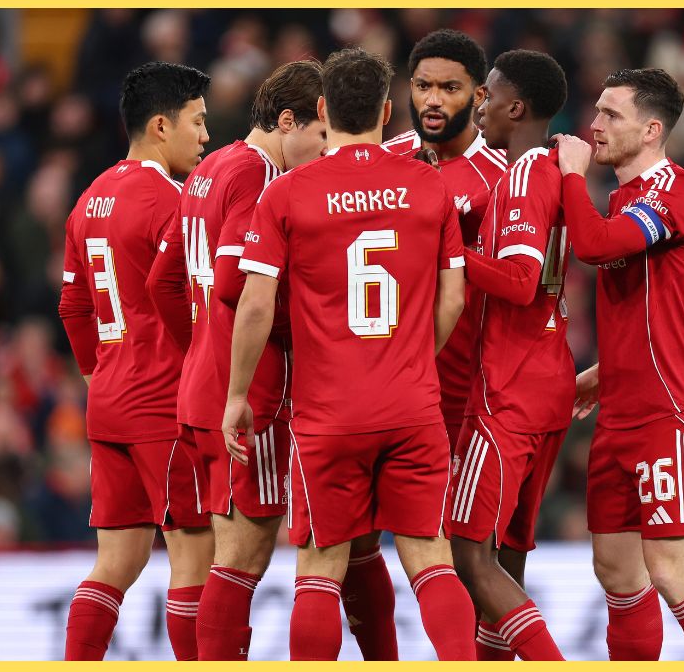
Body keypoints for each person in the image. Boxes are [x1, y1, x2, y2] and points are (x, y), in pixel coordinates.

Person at [222, 47, 475, 661]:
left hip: (328, 412)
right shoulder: (428, 185)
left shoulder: (287, 194)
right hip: (413, 404)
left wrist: (235, 394)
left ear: (323, 109)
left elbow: (255, 305)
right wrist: (415, 357)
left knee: (319, 568)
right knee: (430, 558)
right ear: (389, 111)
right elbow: (455, 298)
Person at [146, 60, 327, 661]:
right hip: (248, 394)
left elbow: (162, 281)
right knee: (242, 560)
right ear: (286, 121)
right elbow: (233, 283)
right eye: (322, 134)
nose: (327, 150)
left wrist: (199, 347)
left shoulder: (211, 166)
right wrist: (304, 329)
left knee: (225, 557)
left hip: (202, 387)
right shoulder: (258, 174)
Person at [554, 68, 684, 660]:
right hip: (621, 413)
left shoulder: (676, 194)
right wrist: (607, 373)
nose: (595, 125)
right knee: (616, 572)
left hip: (671, 414)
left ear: (652, 130)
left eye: (611, 115)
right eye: (597, 111)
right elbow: (659, 311)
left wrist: (571, 178)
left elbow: (595, 247)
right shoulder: (626, 198)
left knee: (671, 572)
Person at [347, 28, 507, 661]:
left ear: (481, 96)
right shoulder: (387, 161)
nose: (433, 100)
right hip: (381, 388)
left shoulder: (505, 176)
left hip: (468, 397)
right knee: (357, 546)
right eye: (422, 86)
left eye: (450, 87)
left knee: (466, 556)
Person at [57, 61, 213, 661]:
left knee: (116, 560)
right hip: (164, 404)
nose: (205, 136)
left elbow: (73, 304)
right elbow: (184, 297)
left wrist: (100, 375)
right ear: (159, 126)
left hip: (110, 403)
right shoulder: (172, 201)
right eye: (197, 123)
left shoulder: (89, 197)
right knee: (194, 555)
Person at [447, 49, 572, 661]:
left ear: (515, 107)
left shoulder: (521, 175)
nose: (481, 103)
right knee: (509, 555)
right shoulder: (554, 174)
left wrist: (446, 251)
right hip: (548, 381)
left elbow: (521, 279)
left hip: (508, 389)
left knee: (467, 552)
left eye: (488, 94)